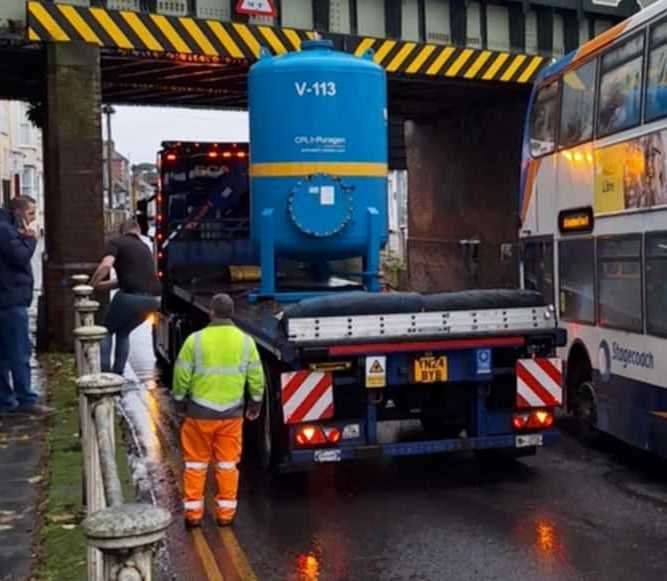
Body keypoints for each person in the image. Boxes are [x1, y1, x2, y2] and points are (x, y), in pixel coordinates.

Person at [173, 293, 265, 528]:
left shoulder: (195, 340)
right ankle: (225, 515)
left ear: (211, 312)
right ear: (232, 314)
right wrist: (255, 404)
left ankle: (193, 515)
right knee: (227, 465)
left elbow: (181, 375)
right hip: (231, 416)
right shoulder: (246, 342)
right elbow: (256, 378)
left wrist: (180, 402)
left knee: (195, 464)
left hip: (199, 414)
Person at [0, 196, 53, 416]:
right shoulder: (5, 230)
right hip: (11, 299)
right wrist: (30, 240)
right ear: (19, 212)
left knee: (3, 354)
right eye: (31, 213)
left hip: (6, 298)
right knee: (19, 352)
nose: (33, 219)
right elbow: (19, 257)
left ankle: (5, 401)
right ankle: (26, 400)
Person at [91, 219, 161, 375]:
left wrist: (91, 285)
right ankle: (118, 373)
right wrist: (101, 286)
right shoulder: (144, 247)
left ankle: (104, 373)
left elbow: (106, 265)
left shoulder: (116, 242)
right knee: (123, 332)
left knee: (106, 330)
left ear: (122, 231)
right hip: (154, 301)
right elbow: (127, 278)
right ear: (137, 231)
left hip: (131, 297)